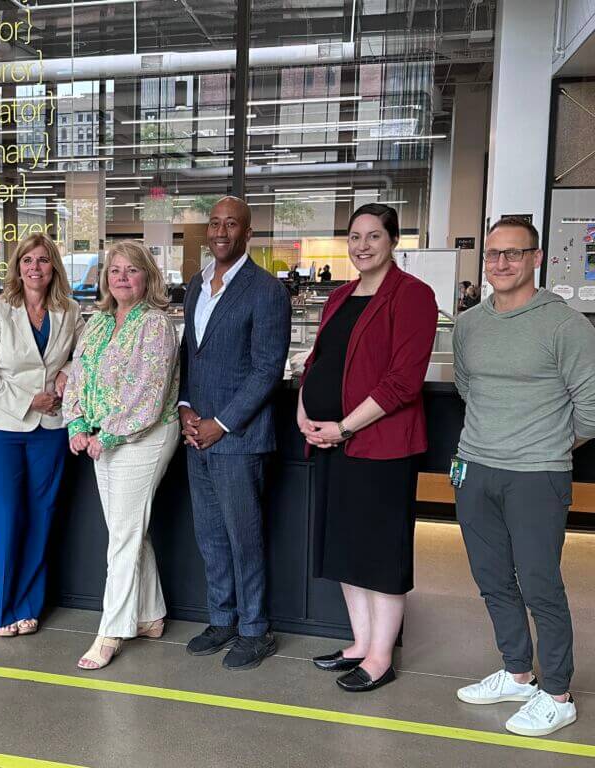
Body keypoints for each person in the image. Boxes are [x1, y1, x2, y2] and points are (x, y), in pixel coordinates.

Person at [452, 216, 595, 737]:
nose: (502, 263)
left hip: (537, 475)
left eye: (514, 253)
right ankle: (518, 672)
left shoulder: (565, 325)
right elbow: (470, 389)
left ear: (537, 258)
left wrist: (547, 442)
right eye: (493, 254)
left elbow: (593, 409)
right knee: (492, 581)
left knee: (540, 585)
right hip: (475, 468)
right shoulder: (470, 324)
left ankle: (556, 693)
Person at [298, 203, 437, 692]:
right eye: (355, 237)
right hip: (332, 443)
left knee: (379, 554)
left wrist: (344, 426)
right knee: (346, 550)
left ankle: (381, 657)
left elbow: (403, 382)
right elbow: (318, 360)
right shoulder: (340, 296)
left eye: (373, 236)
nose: (362, 246)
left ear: (392, 241)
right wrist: (303, 410)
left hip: (382, 447)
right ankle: (359, 643)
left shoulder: (414, 296)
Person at [178, 196, 290, 671]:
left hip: (238, 438)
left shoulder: (266, 291)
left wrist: (219, 424)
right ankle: (222, 618)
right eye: (216, 223)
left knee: (244, 537)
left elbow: (267, 370)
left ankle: (254, 629)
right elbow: (190, 356)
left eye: (232, 225)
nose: (221, 231)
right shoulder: (195, 286)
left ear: (248, 233)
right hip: (194, 433)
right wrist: (185, 408)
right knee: (210, 536)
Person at [63, 240, 180, 670]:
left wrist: (106, 435)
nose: (122, 277)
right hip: (100, 436)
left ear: (147, 276)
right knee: (127, 529)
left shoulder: (157, 325)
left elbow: (146, 392)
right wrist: (76, 424)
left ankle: (110, 631)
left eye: (132, 270)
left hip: (144, 436)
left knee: (124, 536)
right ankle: (151, 615)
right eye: (115, 271)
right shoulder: (95, 323)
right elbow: (77, 377)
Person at [0, 233, 83, 637]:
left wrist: (68, 373)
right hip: (1, 429)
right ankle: (5, 610)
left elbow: (81, 353)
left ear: (54, 267)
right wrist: (27, 402)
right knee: (5, 517)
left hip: (50, 430)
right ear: (17, 268)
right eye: (27, 261)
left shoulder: (69, 311)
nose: (35, 268)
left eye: (43, 260)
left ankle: (29, 605)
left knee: (41, 516)